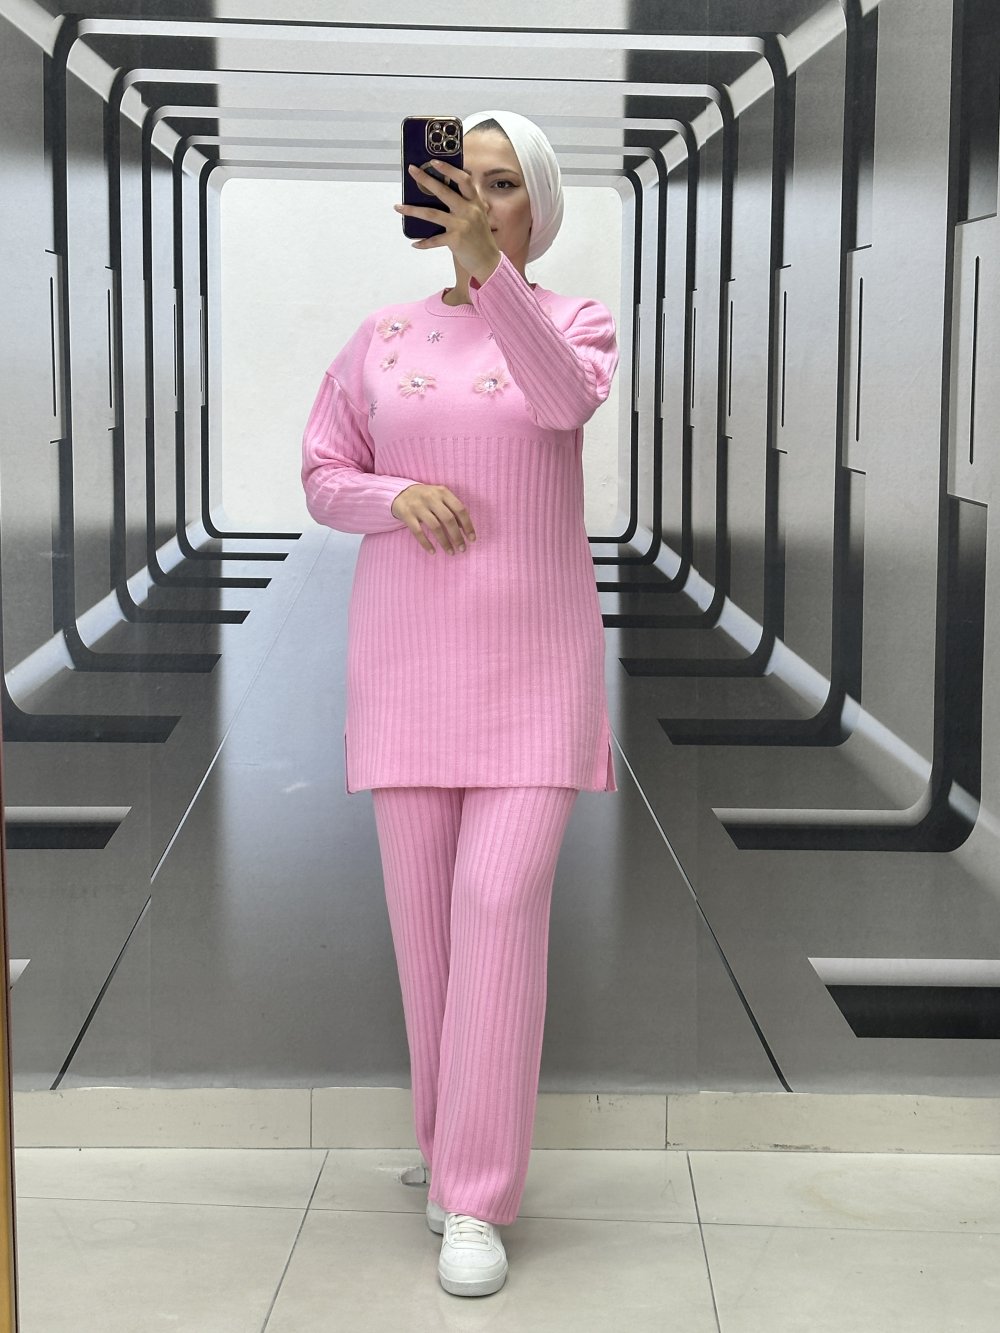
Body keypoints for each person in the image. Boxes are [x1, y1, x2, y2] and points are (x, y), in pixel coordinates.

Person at [300, 108, 620, 1298]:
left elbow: (561, 405)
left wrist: (492, 277)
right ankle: (446, 1157)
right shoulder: (380, 337)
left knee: (497, 903)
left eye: (501, 184)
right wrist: (392, 499)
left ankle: (477, 1195)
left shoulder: (573, 325)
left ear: (537, 204)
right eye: (460, 180)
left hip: (535, 673)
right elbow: (323, 473)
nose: (478, 202)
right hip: (406, 669)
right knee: (428, 934)